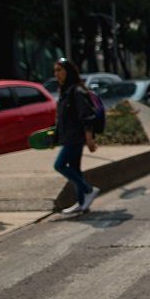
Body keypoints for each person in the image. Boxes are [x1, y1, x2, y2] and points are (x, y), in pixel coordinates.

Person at [53, 59, 100, 215]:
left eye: (60, 70)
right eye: (55, 71)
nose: (57, 74)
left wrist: (89, 138)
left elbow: (86, 115)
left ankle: (88, 190)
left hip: (75, 137)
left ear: (68, 72)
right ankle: (81, 203)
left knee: (59, 165)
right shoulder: (65, 91)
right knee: (74, 169)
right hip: (68, 137)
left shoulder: (77, 91)